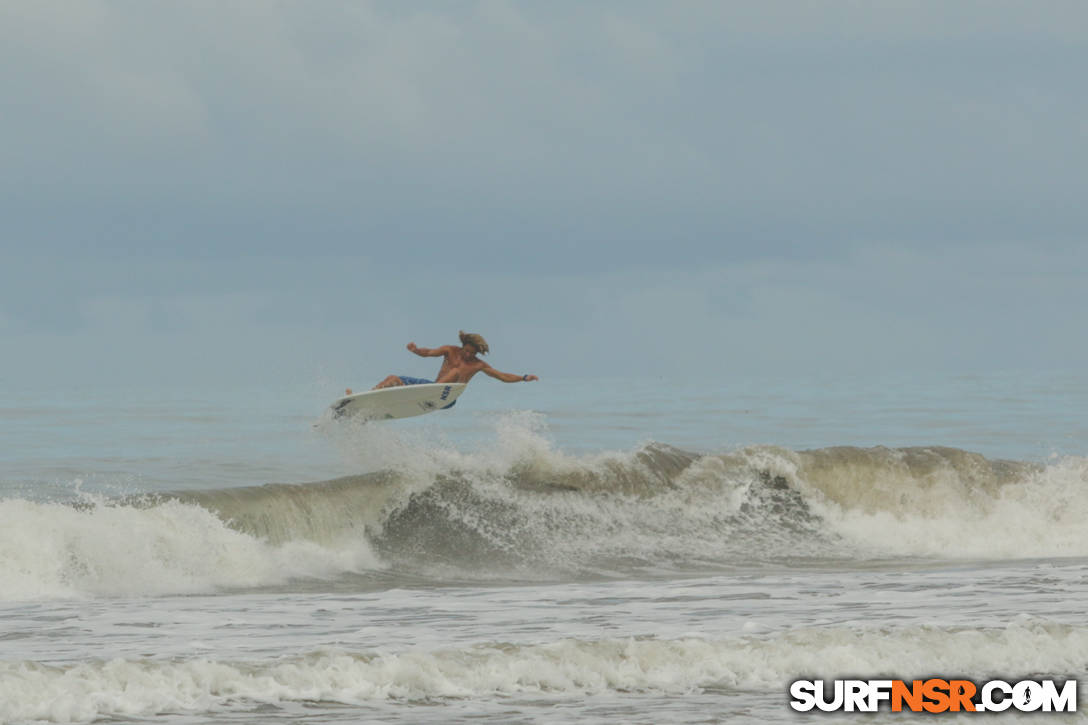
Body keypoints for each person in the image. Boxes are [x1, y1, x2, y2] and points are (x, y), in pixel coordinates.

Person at [344, 331, 539, 396]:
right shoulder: (450, 350)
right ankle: (363, 399)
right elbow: (428, 352)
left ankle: (432, 390)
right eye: (467, 351)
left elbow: (502, 376)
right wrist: (415, 350)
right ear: (463, 346)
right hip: (430, 387)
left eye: (473, 353)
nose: (469, 355)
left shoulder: (479, 365)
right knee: (393, 378)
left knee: (455, 372)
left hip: (446, 397)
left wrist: (523, 377)